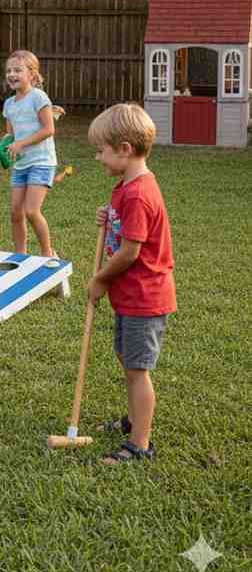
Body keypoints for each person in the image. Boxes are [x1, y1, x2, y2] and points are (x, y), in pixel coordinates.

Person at [87, 103, 175, 464]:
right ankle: (135, 419)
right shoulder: (128, 186)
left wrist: (101, 279)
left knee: (138, 371)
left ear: (124, 148)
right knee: (128, 360)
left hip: (144, 296)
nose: (97, 158)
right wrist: (111, 217)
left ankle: (140, 444)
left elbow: (129, 253)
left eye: (101, 151)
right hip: (131, 296)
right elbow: (127, 228)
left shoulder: (138, 193)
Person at [2, 50, 58, 257]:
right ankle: (20, 256)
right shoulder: (9, 104)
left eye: (17, 70)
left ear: (32, 75)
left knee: (31, 211)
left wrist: (21, 143)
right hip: (21, 164)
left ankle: (47, 254)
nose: (11, 74)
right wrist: (3, 147)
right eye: (8, 71)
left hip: (42, 162)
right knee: (16, 213)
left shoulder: (38, 97)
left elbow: (48, 129)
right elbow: (10, 135)